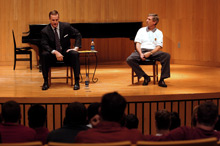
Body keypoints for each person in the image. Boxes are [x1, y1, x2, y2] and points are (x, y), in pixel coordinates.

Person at [75, 92, 145, 144]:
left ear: (100, 110)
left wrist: (95, 128)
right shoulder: (135, 136)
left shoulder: (83, 137)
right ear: (123, 115)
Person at [41, 10, 82, 90]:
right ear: (49, 19)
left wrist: (76, 48)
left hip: (65, 52)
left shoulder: (66, 26)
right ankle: (45, 81)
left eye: (56, 20)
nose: (55, 22)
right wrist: (55, 52)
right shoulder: (45, 31)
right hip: (52, 54)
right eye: (53, 20)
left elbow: (78, 34)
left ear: (58, 18)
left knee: (75, 54)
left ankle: (76, 81)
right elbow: (44, 44)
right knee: (44, 55)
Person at [127, 13, 170, 87]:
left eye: (149, 19)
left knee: (166, 56)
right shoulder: (141, 30)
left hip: (153, 52)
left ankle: (162, 79)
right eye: (147, 19)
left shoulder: (159, 32)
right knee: (129, 59)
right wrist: (140, 53)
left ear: (154, 22)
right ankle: (145, 76)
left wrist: (150, 53)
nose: (146, 20)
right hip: (141, 50)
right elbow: (137, 43)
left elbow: (159, 46)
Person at [145, 101, 220, 141]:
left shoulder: (185, 132)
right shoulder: (218, 136)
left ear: (196, 116)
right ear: (216, 119)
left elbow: (159, 140)